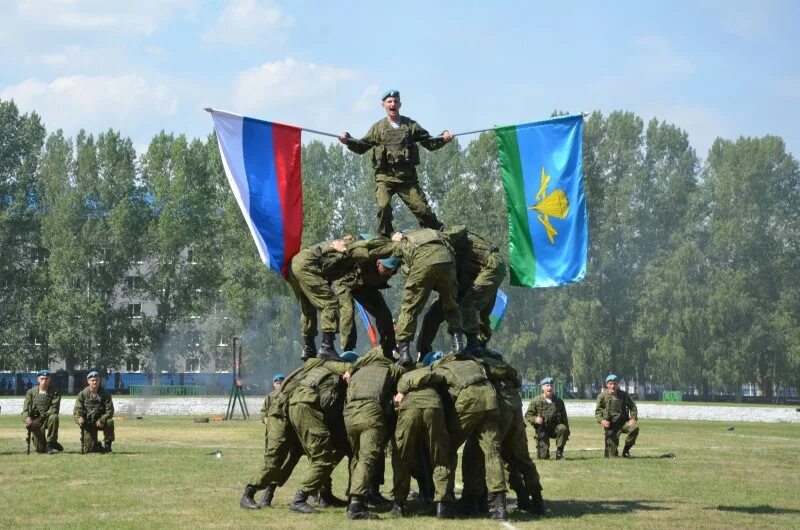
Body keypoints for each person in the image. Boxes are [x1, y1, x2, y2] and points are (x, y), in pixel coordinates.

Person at [339, 89, 453, 236]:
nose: (393, 104)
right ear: (383, 105)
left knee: (423, 210)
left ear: (400, 104)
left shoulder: (410, 125)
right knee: (383, 206)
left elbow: (429, 142)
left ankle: (440, 234)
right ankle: (386, 237)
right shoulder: (377, 128)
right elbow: (362, 146)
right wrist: (347, 140)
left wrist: (443, 138)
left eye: (396, 101)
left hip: (407, 179)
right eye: (389, 101)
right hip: (385, 178)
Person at [348, 229, 464, 365]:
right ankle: (458, 343)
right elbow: (458, 230)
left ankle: (404, 353)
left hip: (422, 262)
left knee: (409, 309)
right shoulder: (430, 233)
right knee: (451, 305)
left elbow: (408, 271)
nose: (392, 273)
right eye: (389, 269)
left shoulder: (402, 242)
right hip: (447, 260)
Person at [417, 226, 506, 357]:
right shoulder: (436, 251)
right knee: (434, 313)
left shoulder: (445, 243)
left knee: (468, 306)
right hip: (472, 273)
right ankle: (423, 351)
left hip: (490, 266)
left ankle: (476, 345)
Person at [342, 347, 406, 520]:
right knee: (367, 458)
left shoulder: (358, 369)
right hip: (370, 413)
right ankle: (356, 506)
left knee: (356, 457)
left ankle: (353, 499)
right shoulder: (391, 368)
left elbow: (346, 376)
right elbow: (406, 374)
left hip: (349, 414)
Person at [392, 352, 454, 518]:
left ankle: (399, 504)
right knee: (439, 456)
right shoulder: (434, 374)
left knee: (401, 455)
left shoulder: (405, 374)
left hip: (409, 407)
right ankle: (442, 505)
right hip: (434, 405)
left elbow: (396, 399)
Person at [286, 237, 364, 361]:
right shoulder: (346, 247)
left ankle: (309, 348)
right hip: (306, 266)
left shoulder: (328, 245)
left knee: (308, 309)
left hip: (293, 267)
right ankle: (327, 347)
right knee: (330, 303)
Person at [334, 253, 399, 359]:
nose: (389, 273)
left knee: (384, 314)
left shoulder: (396, 260)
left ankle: (388, 350)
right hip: (346, 284)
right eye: (386, 269)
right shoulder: (366, 256)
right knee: (348, 312)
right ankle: (347, 350)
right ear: (378, 262)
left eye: (391, 270)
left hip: (366, 287)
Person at [595, 374, 639, 458]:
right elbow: (598, 412)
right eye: (610, 384)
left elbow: (633, 407)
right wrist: (602, 421)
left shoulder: (624, 395)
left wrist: (633, 418)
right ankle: (612, 451)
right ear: (607, 384)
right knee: (611, 456)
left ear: (618, 384)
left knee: (635, 428)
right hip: (611, 426)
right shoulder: (601, 396)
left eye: (615, 383)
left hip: (623, 423)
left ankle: (626, 451)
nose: (613, 386)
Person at [526, 377, 570, 460]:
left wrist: (567, 431)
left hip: (555, 428)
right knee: (543, 457)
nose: (549, 388)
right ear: (542, 387)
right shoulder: (536, 401)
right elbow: (528, 415)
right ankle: (543, 452)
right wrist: (535, 419)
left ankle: (559, 454)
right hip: (542, 430)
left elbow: (564, 418)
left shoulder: (559, 401)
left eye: (551, 386)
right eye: (547, 385)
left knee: (563, 428)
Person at [21, 369, 62, 454]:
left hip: (47, 419)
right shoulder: (31, 392)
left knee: (54, 416)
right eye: (42, 378)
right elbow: (25, 409)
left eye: (46, 379)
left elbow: (54, 408)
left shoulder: (55, 392)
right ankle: (46, 444)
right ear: (38, 379)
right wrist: (27, 418)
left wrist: (41, 418)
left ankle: (51, 443)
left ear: (49, 380)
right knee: (40, 450)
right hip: (35, 421)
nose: (44, 381)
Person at [74, 371, 115, 453]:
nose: (95, 382)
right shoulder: (82, 394)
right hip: (88, 423)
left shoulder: (105, 395)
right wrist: (79, 418)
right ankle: (98, 446)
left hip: (101, 422)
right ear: (88, 381)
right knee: (90, 450)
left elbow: (110, 411)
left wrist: (102, 419)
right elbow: (77, 410)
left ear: (99, 381)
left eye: (97, 380)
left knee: (110, 422)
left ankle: (107, 446)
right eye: (92, 380)